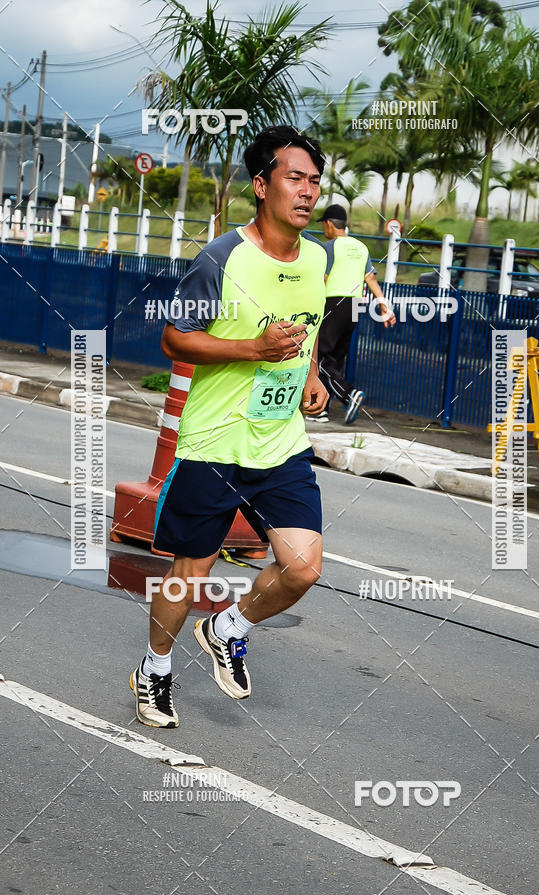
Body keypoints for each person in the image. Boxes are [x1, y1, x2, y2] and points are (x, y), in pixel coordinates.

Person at [129, 125, 329, 728]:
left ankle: (229, 626)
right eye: (295, 178)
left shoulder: (317, 257)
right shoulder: (222, 257)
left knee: (302, 567)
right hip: (216, 442)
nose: (308, 191)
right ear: (262, 185)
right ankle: (154, 670)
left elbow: (305, 328)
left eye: (315, 180)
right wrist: (253, 349)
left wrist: (311, 374)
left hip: (280, 442)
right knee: (190, 574)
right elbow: (173, 338)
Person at [312, 204, 396, 425]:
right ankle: (321, 410)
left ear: (329, 224)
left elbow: (324, 279)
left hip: (334, 302)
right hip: (355, 305)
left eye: (323, 224)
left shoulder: (329, 247)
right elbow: (370, 279)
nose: (323, 228)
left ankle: (350, 394)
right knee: (334, 360)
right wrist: (383, 305)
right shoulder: (361, 247)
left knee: (319, 358)